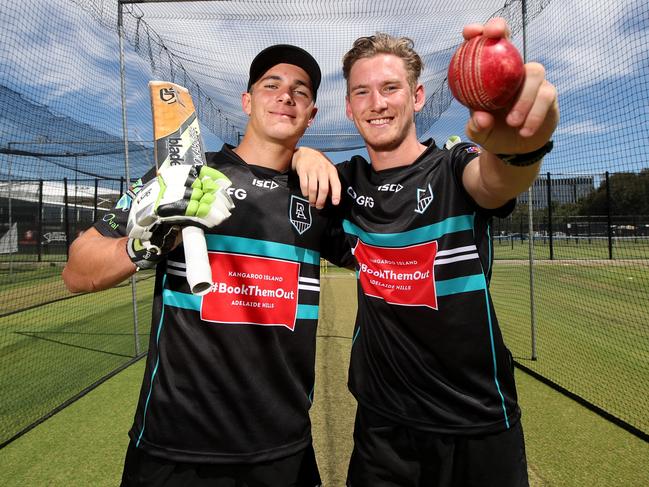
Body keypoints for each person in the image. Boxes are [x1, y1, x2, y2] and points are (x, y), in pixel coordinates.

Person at [63, 44, 350, 487]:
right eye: (270, 85)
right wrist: (147, 242)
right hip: (173, 447)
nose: (285, 96)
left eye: (300, 91)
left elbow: (389, 254)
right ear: (247, 101)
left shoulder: (319, 193)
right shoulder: (183, 177)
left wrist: (308, 155)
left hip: (282, 448)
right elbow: (77, 271)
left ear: (310, 114)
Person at [294, 18, 559, 487]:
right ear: (350, 109)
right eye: (361, 92)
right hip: (383, 429)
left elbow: (496, 181)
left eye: (390, 87)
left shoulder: (455, 167)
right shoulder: (345, 185)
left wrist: (522, 149)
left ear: (416, 97)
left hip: (478, 423)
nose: (377, 103)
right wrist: (300, 154)